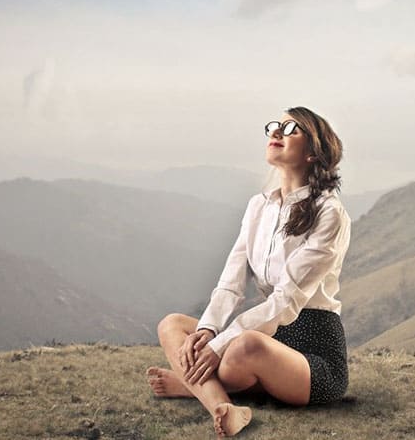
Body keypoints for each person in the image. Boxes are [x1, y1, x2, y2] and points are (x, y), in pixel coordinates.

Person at [147, 106, 352, 437]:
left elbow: (285, 302)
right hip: (264, 333)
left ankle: (192, 385)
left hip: (312, 349)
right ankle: (224, 407)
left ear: (314, 153)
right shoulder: (259, 206)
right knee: (173, 325)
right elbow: (230, 284)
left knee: (243, 348)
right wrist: (210, 331)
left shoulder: (329, 213)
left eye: (291, 129)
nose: (276, 133)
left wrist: (220, 346)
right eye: (276, 126)